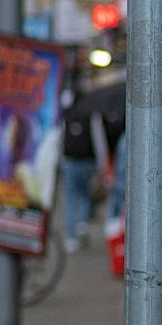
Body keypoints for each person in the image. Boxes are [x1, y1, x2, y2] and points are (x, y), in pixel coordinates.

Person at [57, 86, 107, 253]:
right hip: (88, 161)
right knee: (85, 194)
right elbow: (99, 140)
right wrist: (102, 164)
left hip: (70, 161)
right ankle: (82, 223)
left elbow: (60, 138)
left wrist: (59, 161)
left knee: (70, 198)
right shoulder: (92, 115)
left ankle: (71, 238)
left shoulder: (68, 115)